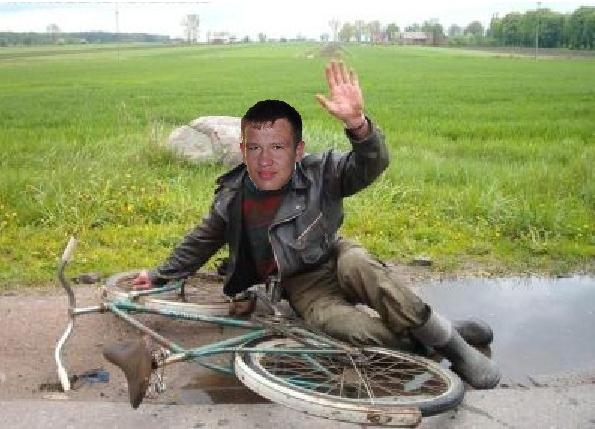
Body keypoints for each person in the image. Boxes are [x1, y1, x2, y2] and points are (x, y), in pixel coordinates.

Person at [133, 61, 500, 389]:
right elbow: (201, 241)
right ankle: (444, 338)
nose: (265, 160)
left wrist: (357, 125)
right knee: (346, 329)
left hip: (335, 256)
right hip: (303, 285)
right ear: (243, 150)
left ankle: (458, 351)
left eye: (277, 147)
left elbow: (370, 165)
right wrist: (160, 275)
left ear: (298, 150)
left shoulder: (321, 172)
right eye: (255, 148)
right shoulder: (233, 198)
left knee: (364, 268)